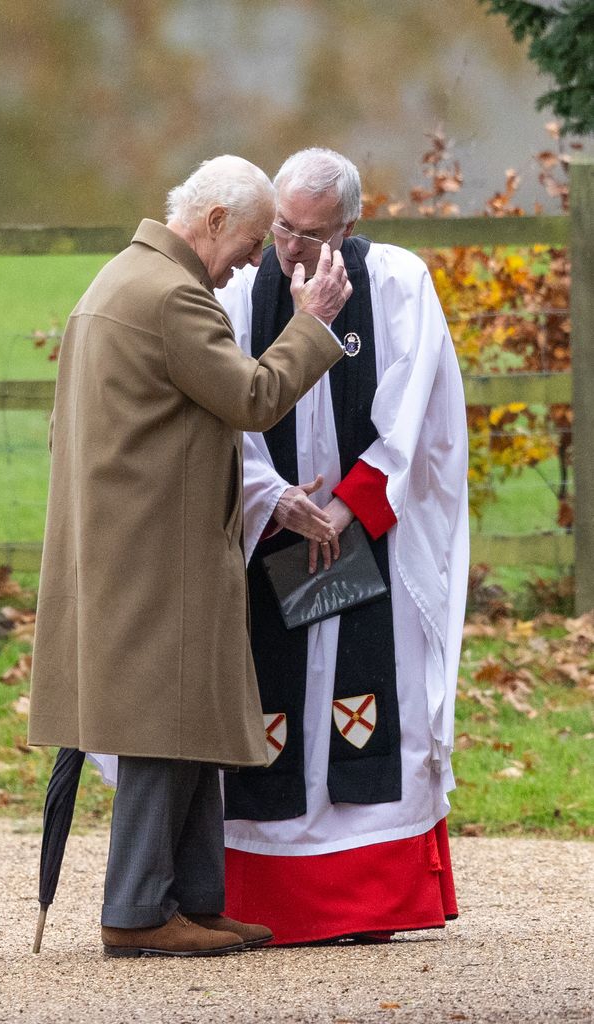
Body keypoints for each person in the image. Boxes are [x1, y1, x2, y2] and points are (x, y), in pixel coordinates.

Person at [27, 154, 353, 958]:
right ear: (210, 220)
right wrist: (312, 322)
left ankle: (194, 900)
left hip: (131, 538)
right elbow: (252, 397)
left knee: (190, 715)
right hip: (156, 546)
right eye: (248, 241)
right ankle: (137, 911)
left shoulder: (119, 279)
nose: (253, 260)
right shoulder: (173, 296)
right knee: (158, 725)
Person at [214, 148, 469, 946]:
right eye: (282, 228)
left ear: (351, 228)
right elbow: (225, 407)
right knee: (272, 704)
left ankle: (372, 903)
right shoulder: (235, 291)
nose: (289, 248)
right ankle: (265, 898)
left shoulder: (395, 283)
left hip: (370, 538)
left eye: (311, 233)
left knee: (369, 696)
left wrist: (354, 506)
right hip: (272, 536)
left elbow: (420, 411)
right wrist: (275, 500)